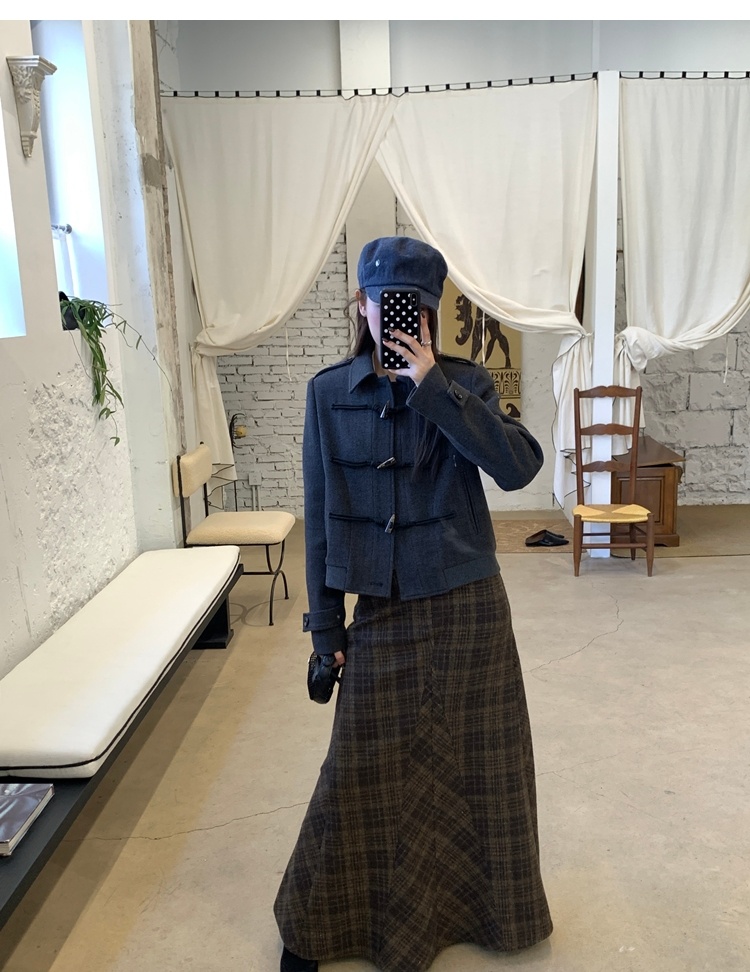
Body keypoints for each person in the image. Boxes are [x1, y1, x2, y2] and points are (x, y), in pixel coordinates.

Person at [274, 237, 552, 972]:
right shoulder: (328, 393)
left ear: (432, 311)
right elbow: (320, 515)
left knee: (479, 770)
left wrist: (434, 385)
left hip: (469, 609)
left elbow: (519, 469)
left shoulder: (464, 383)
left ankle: (479, 914)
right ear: (361, 304)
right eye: (383, 301)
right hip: (382, 611)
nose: (396, 315)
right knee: (356, 770)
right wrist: (325, 628)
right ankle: (316, 923)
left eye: (414, 305)